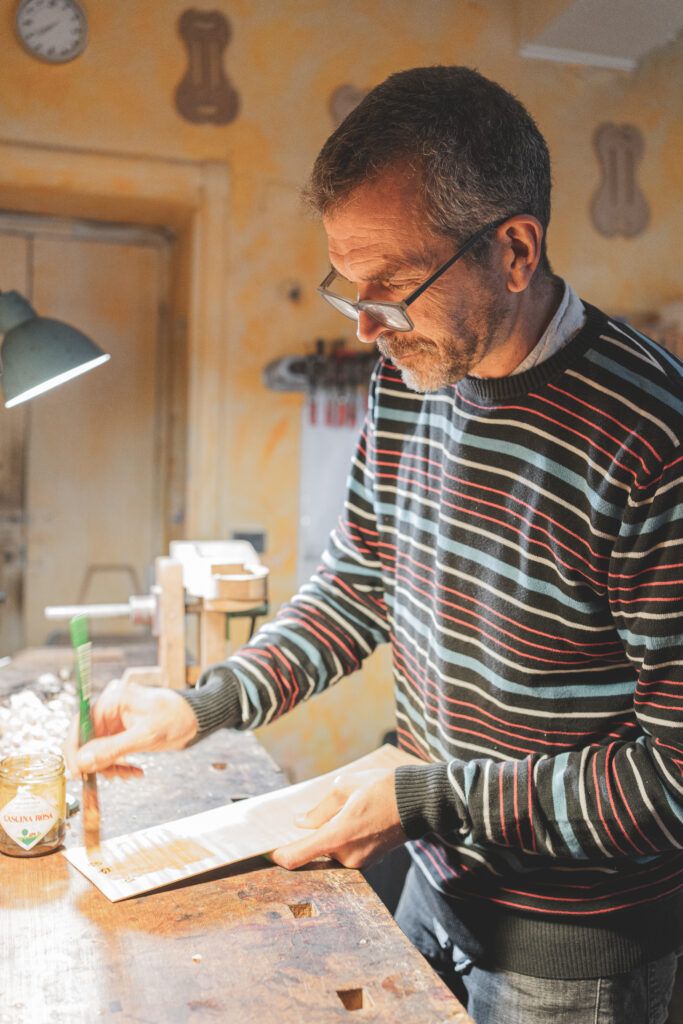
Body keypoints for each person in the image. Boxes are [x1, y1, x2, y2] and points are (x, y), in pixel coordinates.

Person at [64, 66, 683, 1024]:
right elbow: (359, 580)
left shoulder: (653, 439)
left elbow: (673, 777)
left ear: (515, 250)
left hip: (572, 945)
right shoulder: (413, 373)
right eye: (346, 287)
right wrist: (204, 706)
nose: (363, 327)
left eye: (390, 286)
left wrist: (423, 795)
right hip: (434, 872)